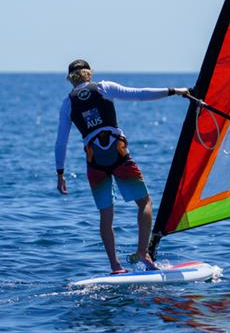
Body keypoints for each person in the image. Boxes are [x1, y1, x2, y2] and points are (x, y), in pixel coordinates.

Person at [55, 59, 188, 274]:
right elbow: (141, 93)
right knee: (144, 202)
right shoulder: (105, 87)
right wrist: (174, 91)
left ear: (70, 79)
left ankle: (115, 266)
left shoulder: (67, 104)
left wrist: (60, 173)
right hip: (119, 156)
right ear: (90, 74)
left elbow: (61, 141)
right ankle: (143, 253)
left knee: (106, 214)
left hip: (94, 163)